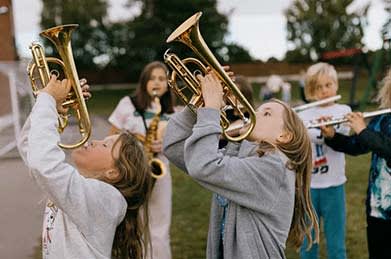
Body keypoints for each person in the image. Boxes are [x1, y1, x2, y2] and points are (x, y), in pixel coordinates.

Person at [163, 71, 319, 259]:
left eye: (266, 113)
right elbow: (174, 147)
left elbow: (204, 165)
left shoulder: (275, 168)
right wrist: (197, 106)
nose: (254, 113)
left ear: (284, 136)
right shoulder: (240, 155)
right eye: (259, 109)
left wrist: (211, 110)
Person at [17, 75, 153, 258]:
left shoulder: (106, 199)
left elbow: (44, 165)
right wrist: (54, 110)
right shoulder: (88, 191)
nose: (95, 141)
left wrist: (48, 99)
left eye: (105, 145)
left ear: (113, 172)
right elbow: (30, 146)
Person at [320, 68, 391, 259]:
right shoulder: (384, 120)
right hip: (377, 212)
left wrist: (363, 131)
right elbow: (355, 146)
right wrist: (333, 136)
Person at [108, 61, 175, 259]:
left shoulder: (173, 112)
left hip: (160, 171)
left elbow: (181, 148)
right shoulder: (127, 104)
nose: (157, 82)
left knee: (160, 229)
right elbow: (111, 137)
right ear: (144, 81)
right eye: (152, 78)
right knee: (132, 226)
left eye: (162, 79)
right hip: (132, 172)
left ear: (168, 84)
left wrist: (165, 146)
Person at [298, 62, 351, 259]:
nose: (324, 91)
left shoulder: (343, 110)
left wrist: (327, 132)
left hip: (334, 185)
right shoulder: (303, 114)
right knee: (308, 243)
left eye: (328, 85)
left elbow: (341, 137)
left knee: (336, 243)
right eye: (318, 87)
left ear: (335, 85)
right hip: (309, 186)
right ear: (310, 90)